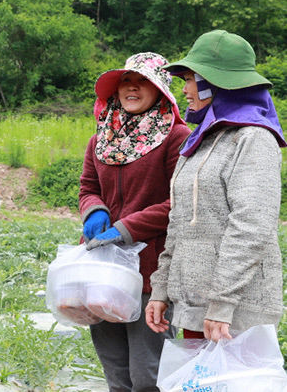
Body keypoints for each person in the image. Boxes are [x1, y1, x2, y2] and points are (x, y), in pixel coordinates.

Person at [146, 30, 285, 343]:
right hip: (198, 306)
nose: (184, 91)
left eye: (190, 80)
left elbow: (251, 228)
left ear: (213, 82)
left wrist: (222, 303)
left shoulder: (253, 139)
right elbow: (179, 223)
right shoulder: (203, 140)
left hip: (234, 314)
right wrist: (162, 288)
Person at [79, 52, 190, 391]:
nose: (131, 87)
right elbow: (88, 187)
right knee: (115, 371)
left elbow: (180, 202)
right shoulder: (101, 139)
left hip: (151, 271)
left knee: (148, 375)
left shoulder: (177, 138)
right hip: (104, 268)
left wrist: (126, 229)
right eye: (126, 80)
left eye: (143, 80)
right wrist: (95, 210)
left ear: (161, 89)